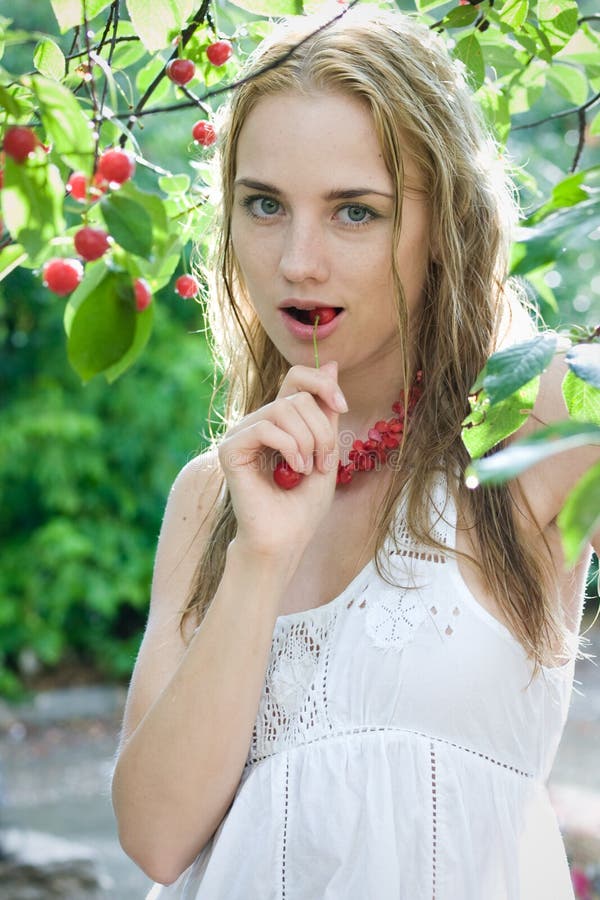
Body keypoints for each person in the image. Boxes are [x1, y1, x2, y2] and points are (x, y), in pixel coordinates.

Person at [111, 5, 600, 898]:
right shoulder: (211, 496)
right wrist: (262, 557)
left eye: (355, 212)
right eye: (265, 205)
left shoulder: (537, 421)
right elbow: (155, 839)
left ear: (443, 225)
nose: (299, 261)